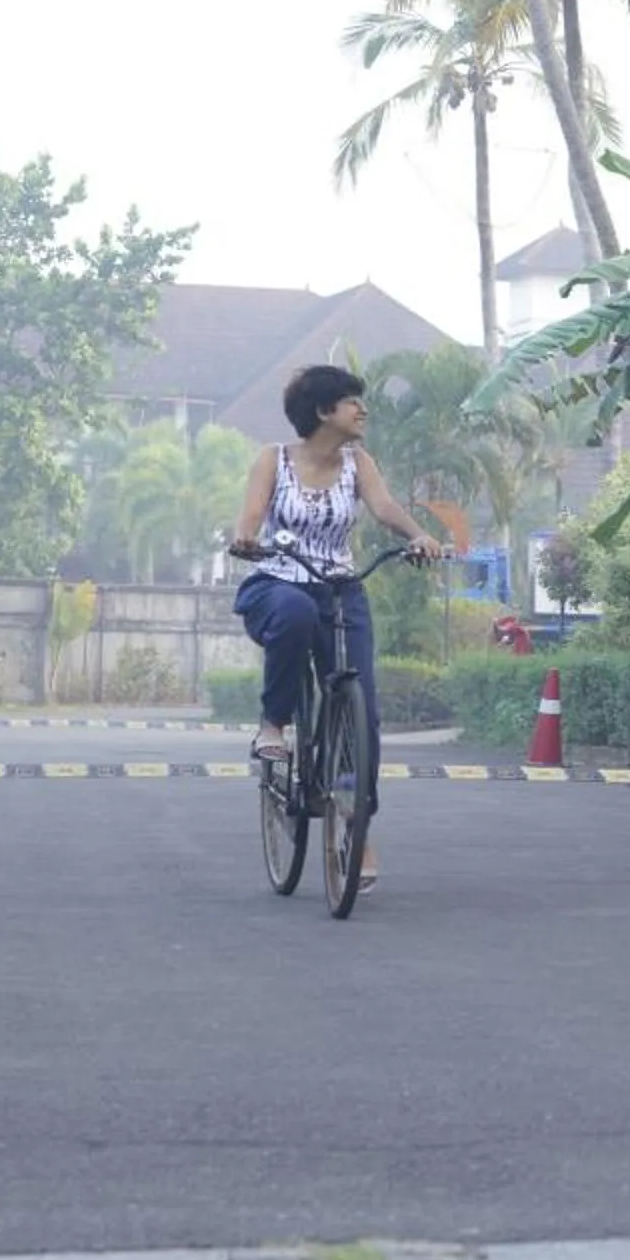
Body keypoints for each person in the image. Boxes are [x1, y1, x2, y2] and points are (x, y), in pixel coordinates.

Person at [227, 363, 446, 886]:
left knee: (362, 712)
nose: (361, 409)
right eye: (351, 401)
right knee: (296, 613)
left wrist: (420, 536)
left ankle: (358, 829)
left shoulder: (358, 462)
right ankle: (273, 726)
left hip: (341, 590)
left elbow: (385, 506)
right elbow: (251, 515)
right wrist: (245, 538)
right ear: (324, 411)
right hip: (278, 584)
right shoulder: (273, 461)